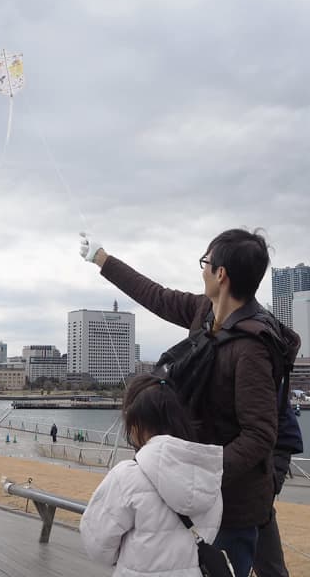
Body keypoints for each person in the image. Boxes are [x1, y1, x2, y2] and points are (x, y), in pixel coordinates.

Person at [80, 228, 281, 577]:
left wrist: (203, 471)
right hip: (186, 494)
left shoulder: (253, 349)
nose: (201, 269)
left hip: (230, 506)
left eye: (205, 262)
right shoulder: (205, 312)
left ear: (221, 275)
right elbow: (156, 296)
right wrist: (103, 259)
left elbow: (261, 434)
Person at [80, 374, 223, 576]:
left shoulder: (127, 476)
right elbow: (210, 532)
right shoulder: (209, 473)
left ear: (136, 422)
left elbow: (97, 544)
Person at [253, 398, 303, 577]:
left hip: (254, 487)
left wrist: (270, 481)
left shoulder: (263, 375)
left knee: (270, 566)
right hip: (211, 482)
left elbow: (286, 435)